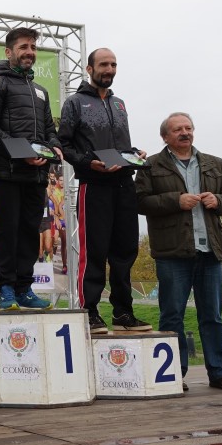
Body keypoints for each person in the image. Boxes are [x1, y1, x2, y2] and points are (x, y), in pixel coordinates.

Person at [135, 112, 222, 391]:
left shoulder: (214, 163)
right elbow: (139, 201)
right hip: (172, 252)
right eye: (177, 129)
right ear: (165, 137)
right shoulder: (150, 165)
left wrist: (218, 200)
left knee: (213, 316)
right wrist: (176, 200)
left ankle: (220, 373)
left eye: (188, 127)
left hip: (210, 251)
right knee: (172, 316)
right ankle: (172, 374)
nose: (185, 133)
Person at [58, 48, 151, 333]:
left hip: (124, 183)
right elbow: (63, 145)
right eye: (103, 64)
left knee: (125, 251)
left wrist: (135, 153)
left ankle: (123, 312)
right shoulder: (75, 102)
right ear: (89, 69)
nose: (109, 69)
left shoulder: (119, 104)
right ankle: (89, 311)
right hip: (94, 184)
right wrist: (88, 163)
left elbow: (121, 145)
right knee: (94, 251)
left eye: (113, 65)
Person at [0, 27, 60, 310]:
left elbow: (50, 131)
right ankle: (6, 289)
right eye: (24, 47)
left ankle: (25, 288)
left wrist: (52, 149)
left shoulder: (41, 91)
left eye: (33, 47)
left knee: (29, 231)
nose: (29, 52)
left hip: (36, 175)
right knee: (8, 231)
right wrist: (21, 153)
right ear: (9, 51)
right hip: (7, 173)